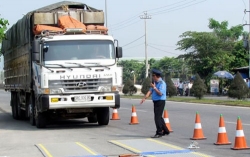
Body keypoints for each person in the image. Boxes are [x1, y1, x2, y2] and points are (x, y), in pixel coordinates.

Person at [140, 69, 170, 138]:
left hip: (160, 101)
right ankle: (166, 130)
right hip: (155, 101)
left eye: (153, 76)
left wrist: (154, 87)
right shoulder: (155, 83)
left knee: (157, 118)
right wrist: (144, 98)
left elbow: (160, 93)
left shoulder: (162, 83)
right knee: (159, 117)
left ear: (157, 76)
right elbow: (150, 91)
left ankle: (159, 132)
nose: (152, 77)